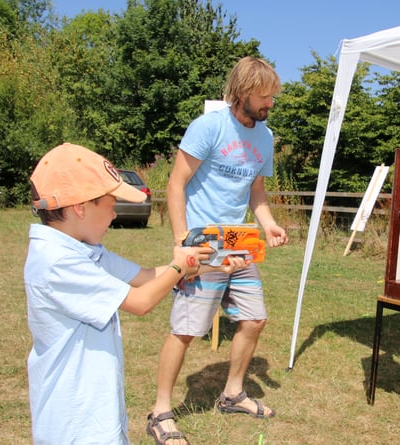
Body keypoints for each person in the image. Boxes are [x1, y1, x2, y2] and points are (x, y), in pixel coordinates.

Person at [24, 143, 247, 445]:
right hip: (73, 421)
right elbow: (141, 301)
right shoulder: (58, 260)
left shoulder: (83, 250)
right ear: (80, 207)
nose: (114, 214)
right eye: (110, 203)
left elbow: (145, 277)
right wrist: (180, 267)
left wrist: (212, 265)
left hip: (95, 410)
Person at [147, 56, 288, 444]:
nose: (270, 104)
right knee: (187, 329)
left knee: (255, 319)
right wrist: (182, 241)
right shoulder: (208, 127)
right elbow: (176, 184)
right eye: (264, 97)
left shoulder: (266, 137)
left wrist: (269, 223)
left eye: (272, 97)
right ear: (242, 92)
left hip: (239, 244)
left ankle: (233, 393)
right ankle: (160, 411)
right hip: (202, 246)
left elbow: (256, 192)